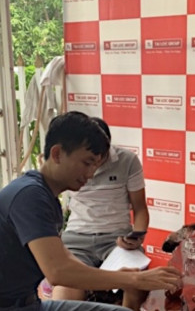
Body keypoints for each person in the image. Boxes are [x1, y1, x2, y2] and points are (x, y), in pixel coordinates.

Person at [0, 111, 181, 311]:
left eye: (96, 165)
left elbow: (64, 258)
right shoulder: (29, 195)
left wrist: (122, 276)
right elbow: (58, 272)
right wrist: (133, 280)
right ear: (57, 154)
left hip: (27, 303)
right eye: (87, 163)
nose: (91, 174)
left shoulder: (46, 196)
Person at [53, 117, 150, 309]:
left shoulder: (127, 160)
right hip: (76, 238)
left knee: (136, 282)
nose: (92, 171)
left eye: (99, 159)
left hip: (117, 240)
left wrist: (136, 236)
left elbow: (140, 209)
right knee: (65, 295)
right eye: (87, 161)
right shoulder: (67, 163)